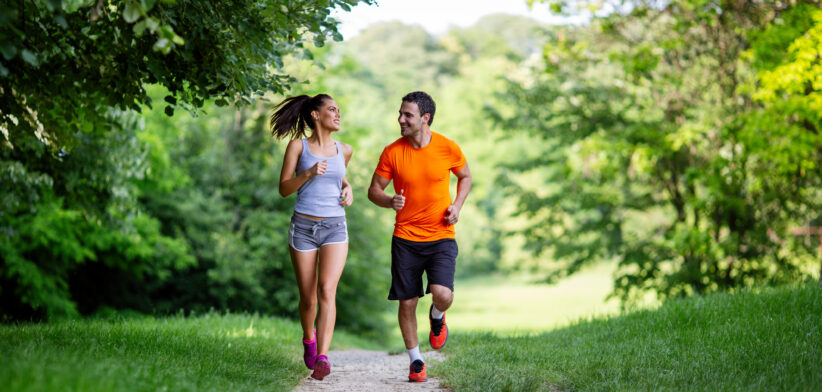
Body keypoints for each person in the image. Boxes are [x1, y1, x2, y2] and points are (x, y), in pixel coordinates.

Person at [367, 91, 472, 382]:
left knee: (443, 294)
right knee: (408, 301)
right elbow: (374, 190)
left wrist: (457, 206)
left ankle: (437, 316)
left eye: (407, 115)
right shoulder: (392, 152)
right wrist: (389, 201)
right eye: (400, 113)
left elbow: (466, 176)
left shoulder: (447, 147)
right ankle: (416, 361)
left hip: (441, 235)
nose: (400, 119)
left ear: (425, 118)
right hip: (405, 238)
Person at [271, 93, 353, 381]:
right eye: (332, 109)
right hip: (304, 228)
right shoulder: (298, 146)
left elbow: (339, 176)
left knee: (327, 290)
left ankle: (323, 357)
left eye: (339, 110)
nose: (338, 114)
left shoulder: (345, 150)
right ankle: (309, 338)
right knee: (308, 299)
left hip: (335, 227)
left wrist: (348, 188)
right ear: (316, 115)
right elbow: (283, 189)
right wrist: (306, 174)